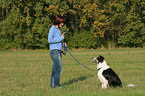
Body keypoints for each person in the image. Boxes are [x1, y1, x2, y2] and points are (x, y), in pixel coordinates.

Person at [48, 15, 67, 88]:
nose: (62, 24)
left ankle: (53, 86)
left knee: (55, 69)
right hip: (54, 52)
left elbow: (57, 40)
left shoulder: (58, 29)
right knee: (59, 69)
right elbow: (50, 40)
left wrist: (62, 43)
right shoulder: (52, 29)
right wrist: (60, 38)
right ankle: (57, 85)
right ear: (57, 22)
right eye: (61, 22)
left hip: (58, 51)